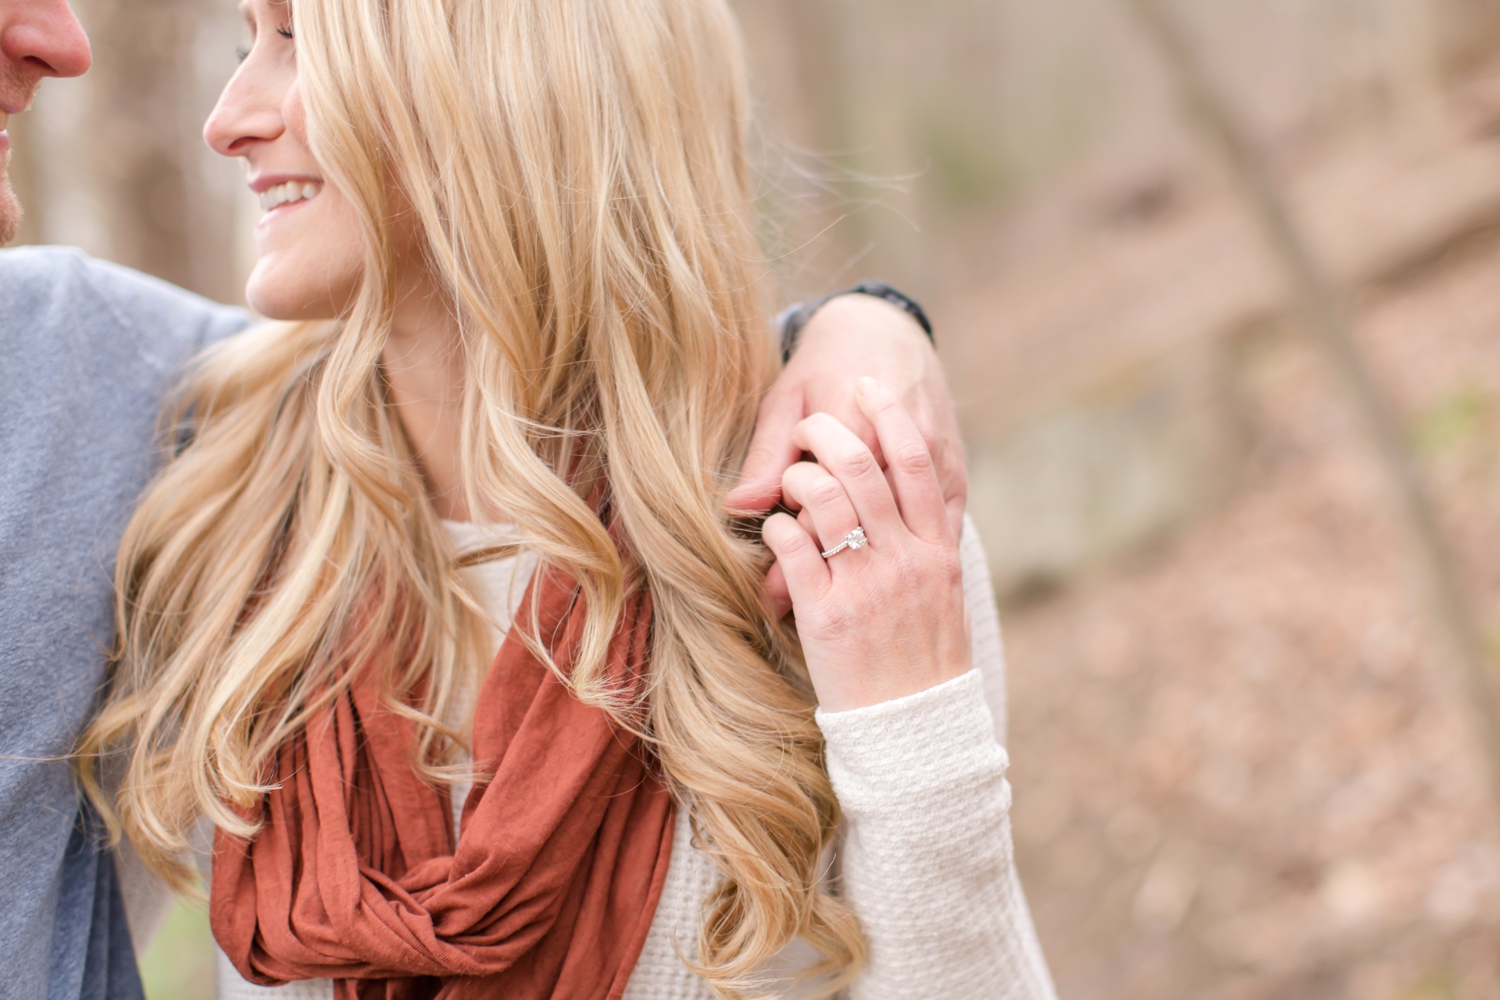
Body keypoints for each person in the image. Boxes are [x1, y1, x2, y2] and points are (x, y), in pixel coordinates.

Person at [76, 0, 1056, 998]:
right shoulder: (217, 522)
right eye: (246, 45)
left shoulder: (830, 525)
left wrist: (920, 742)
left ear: (506, 81)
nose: (226, 116)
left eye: (299, 41)